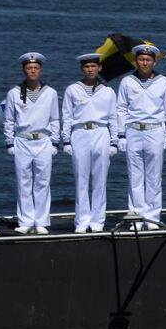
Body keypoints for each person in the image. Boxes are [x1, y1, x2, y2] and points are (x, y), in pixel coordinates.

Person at [61, 52, 119, 233]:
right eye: (86, 66)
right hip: (80, 134)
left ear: (99, 68)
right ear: (82, 69)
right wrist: (66, 141)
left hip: (101, 132)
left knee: (100, 179)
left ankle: (97, 220)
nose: (90, 69)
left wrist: (114, 141)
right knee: (81, 178)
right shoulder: (72, 89)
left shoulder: (108, 91)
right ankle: (82, 220)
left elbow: (113, 118)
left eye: (93, 66)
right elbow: (67, 116)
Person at [115, 43, 166, 229]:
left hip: (155, 130)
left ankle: (153, 216)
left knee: (154, 176)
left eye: (148, 59)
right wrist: (121, 135)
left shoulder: (164, 82)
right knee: (135, 175)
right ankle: (136, 215)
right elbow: (121, 109)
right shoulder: (127, 82)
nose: (144, 62)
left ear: (154, 62)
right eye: (141, 59)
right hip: (133, 131)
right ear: (136, 61)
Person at [3, 52, 58, 234]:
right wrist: (9, 142)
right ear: (24, 70)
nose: (32, 71)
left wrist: (55, 142)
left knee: (42, 182)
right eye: (29, 68)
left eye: (35, 68)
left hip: (42, 141)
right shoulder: (14, 93)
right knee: (23, 182)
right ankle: (25, 220)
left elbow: (55, 119)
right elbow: (9, 120)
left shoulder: (50, 93)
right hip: (22, 141)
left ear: (40, 70)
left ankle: (41, 220)